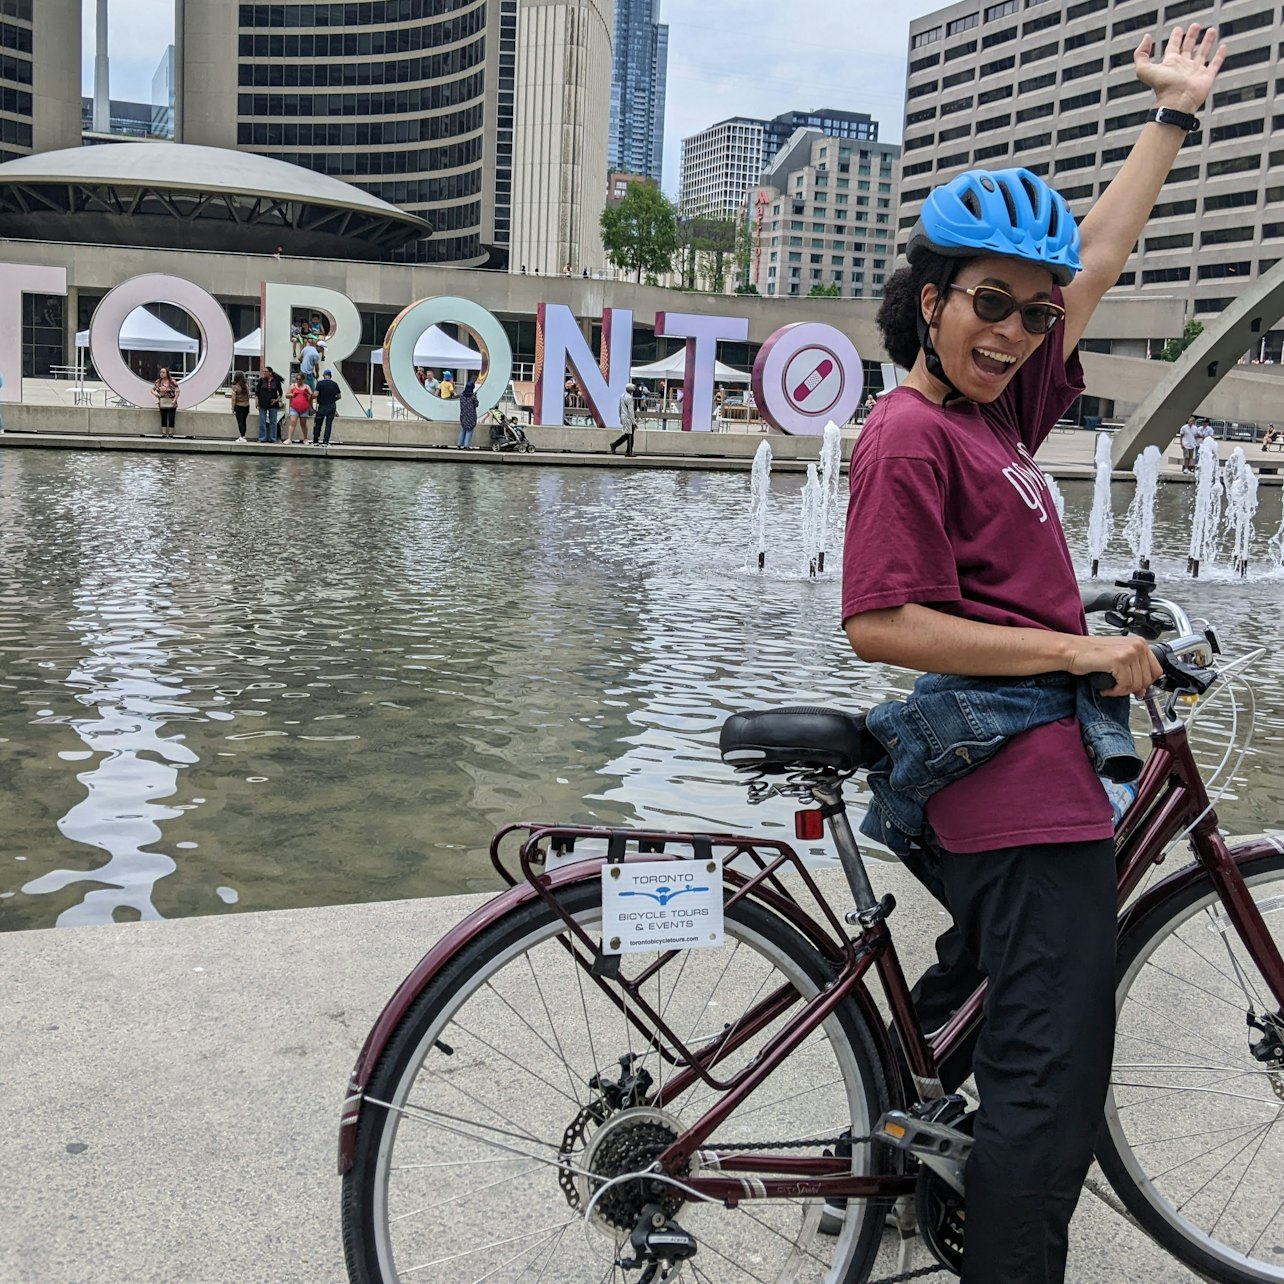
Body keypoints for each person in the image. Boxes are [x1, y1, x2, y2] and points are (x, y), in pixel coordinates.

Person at [840, 25, 1223, 1284]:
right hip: (1009, 785)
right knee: (1049, 1094)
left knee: (991, 1008)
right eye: (985, 303)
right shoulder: (910, 433)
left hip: (1024, 772)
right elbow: (881, 623)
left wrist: (1169, 119)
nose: (1012, 331)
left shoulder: (991, 411)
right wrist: (1076, 647)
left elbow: (1096, 258)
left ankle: (915, 1151)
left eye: (1031, 313)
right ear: (930, 297)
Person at [313, 368, 341, 446]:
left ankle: (315, 440)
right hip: (332, 406)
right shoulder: (335, 384)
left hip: (322, 405)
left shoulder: (320, 383)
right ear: (330, 376)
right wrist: (333, 400)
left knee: (318, 423)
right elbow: (339, 396)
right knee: (328, 424)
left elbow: (315, 394)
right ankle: (325, 441)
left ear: (324, 376)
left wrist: (312, 397)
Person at [283, 373, 312, 444]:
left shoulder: (306, 387)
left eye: (300, 379)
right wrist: (292, 395)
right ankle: (289, 438)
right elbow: (287, 395)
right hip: (294, 407)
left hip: (304, 407)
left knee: (303, 423)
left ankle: (305, 439)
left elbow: (311, 395)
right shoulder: (293, 386)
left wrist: (308, 393)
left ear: (303, 380)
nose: (298, 381)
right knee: (292, 422)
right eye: (297, 379)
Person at [610, 383, 638, 456]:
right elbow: (631, 411)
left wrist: (620, 417)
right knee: (630, 435)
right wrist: (634, 422)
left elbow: (620, 407)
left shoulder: (622, 396)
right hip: (629, 418)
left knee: (627, 434)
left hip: (623, 417)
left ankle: (615, 444)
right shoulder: (629, 398)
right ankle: (628, 451)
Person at [256, 366, 283, 442]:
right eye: (263, 371)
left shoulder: (276, 381)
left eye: (265, 371)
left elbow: (280, 393)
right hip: (263, 402)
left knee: (273, 421)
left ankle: (273, 438)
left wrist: (276, 400)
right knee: (262, 421)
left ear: (270, 373)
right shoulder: (261, 381)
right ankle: (262, 437)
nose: (264, 373)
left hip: (273, 403)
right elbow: (257, 392)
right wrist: (257, 402)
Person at [151, 367, 180, 438]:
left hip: (171, 402)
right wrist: (156, 394)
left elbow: (178, 391)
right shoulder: (158, 382)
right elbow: (152, 389)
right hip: (162, 401)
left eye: (163, 372)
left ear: (167, 373)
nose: (162, 374)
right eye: (161, 372)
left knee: (171, 418)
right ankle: (164, 433)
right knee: (163, 418)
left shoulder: (172, 381)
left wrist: (175, 400)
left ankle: (170, 434)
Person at [456, 376, 479, 448]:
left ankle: (459, 444)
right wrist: (476, 397)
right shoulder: (472, 397)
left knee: (463, 429)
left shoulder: (462, 395)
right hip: (471, 415)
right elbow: (476, 404)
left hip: (463, 415)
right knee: (469, 430)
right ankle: (466, 445)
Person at [230, 372, 251, 442]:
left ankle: (242, 436)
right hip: (246, 406)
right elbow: (248, 396)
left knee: (240, 422)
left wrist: (232, 409)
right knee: (244, 421)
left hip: (239, 406)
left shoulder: (235, 387)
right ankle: (243, 436)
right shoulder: (246, 386)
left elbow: (233, 399)